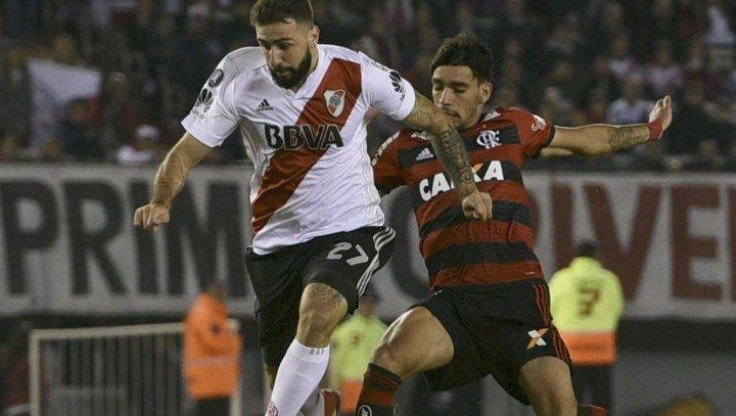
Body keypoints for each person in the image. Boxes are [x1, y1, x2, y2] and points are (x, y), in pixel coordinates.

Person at [132, 2, 492, 415]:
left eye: (284, 45)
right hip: (276, 243)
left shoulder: (357, 72)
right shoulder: (238, 76)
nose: (274, 58)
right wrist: (162, 198)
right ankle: (322, 407)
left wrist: (468, 186)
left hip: (351, 228)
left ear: (312, 36)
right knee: (289, 385)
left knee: (318, 313)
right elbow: (184, 153)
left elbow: (438, 123)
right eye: (265, 45)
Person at [358, 32, 672, 416]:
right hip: (455, 301)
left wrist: (650, 130)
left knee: (560, 410)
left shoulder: (511, 127)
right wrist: (348, 133)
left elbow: (586, 140)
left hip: (518, 301)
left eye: (459, 88)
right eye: (438, 86)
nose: (444, 99)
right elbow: (349, 189)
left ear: (483, 91)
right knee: (387, 356)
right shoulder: (405, 146)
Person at [549, 241, 624, 410]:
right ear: (597, 257)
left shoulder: (562, 279)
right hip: (601, 348)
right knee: (601, 402)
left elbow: (547, 310)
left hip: (570, 348)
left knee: (570, 402)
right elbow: (617, 310)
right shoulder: (610, 280)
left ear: (575, 258)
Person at [183, 280, 243, 416]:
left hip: (216, 382)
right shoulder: (204, 314)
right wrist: (234, 340)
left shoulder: (214, 313)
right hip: (209, 383)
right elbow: (217, 342)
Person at [329, 287, 387, 416]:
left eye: (372, 302)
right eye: (365, 302)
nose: (368, 306)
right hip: (350, 385)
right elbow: (336, 361)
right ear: (359, 303)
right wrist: (334, 385)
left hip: (375, 387)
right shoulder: (344, 331)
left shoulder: (384, 332)